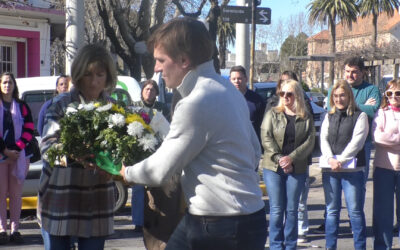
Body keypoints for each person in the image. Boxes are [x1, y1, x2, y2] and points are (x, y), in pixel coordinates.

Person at [120, 17, 267, 250]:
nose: (156, 68)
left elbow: (159, 171)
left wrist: (125, 173)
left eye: (160, 60)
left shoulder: (195, 102)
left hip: (221, 226)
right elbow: (255, 151)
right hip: (233, 219)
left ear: (184, 60)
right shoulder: (228, 89)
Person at [37, 44, 118, 250]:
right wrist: (76, 155)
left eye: (100, 75)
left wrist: (118, 167)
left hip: (97, 199)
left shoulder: (114, 110)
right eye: (88, 74)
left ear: (108, 76)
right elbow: (47, 148)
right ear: (78, 74)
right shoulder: (60, 105)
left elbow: (120, 154)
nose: (93, 81)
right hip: (61, 196)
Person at [317, 56, 381, 234]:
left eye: (354, 72)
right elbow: (332, 108)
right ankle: (330, 222)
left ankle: (355, 222)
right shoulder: (334, 89)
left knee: (358, 186)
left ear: (362, 72)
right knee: (332, 190)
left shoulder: (372, 90)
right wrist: (361, 106)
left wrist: (352, 106)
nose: (350, 75)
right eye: (347, 71)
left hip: (361, 146)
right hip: (335, 145)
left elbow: (373, 111)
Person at [261, 79, 315, 250]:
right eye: (282, 93)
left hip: (297, 168)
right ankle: (276, 245)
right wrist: (280, 158)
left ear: (297, 95)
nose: (285, 97)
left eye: (289, 94)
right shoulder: (272, 113)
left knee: (292, 210)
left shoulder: (305, 117)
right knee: (277, 210)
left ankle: (290, 245)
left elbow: (310, 141)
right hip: (273, 168)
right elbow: (266, 137)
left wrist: (291, 158)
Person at [320, 80, 368, 250]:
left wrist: (341, 160)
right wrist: (330, 159)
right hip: (330, 170)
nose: (339, 99)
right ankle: (330, 246)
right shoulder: (328, 115)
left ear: (349, 96)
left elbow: (358, 142)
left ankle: (359, 247)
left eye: (342, 95)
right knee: (332, 211)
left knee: (355, 212)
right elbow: (323, 139)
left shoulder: (359, 115)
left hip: (352, 170)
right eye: (335, 95)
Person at [0, 72, 34, 245]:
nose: (7, 85)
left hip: (19, 156)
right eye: (4, 82)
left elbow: (29, 128)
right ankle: (2, 230)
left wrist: (17, 148)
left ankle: (15, 230)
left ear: (14, 85)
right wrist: (5, 150)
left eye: (10, 82)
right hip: (1, 156)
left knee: (15, 195)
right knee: (0, 194)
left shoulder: (22, 106)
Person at [372, 79, 400, 249]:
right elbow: (378, 137)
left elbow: (385, 137)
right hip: (384, 168)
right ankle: (383, 246)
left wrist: (391, 140)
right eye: (390, 93)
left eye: (398, 93)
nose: (394, 97)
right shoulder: (381, 113)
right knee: (383, 213)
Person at [229, 65, 265, 142]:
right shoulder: (225, 99)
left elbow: (263, 125)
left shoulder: (257, 100)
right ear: (230, 80)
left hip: (251, 144)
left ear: (246, 79)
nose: (236, 81)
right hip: (231, 144)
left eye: (239, 78)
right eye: (233, 79)